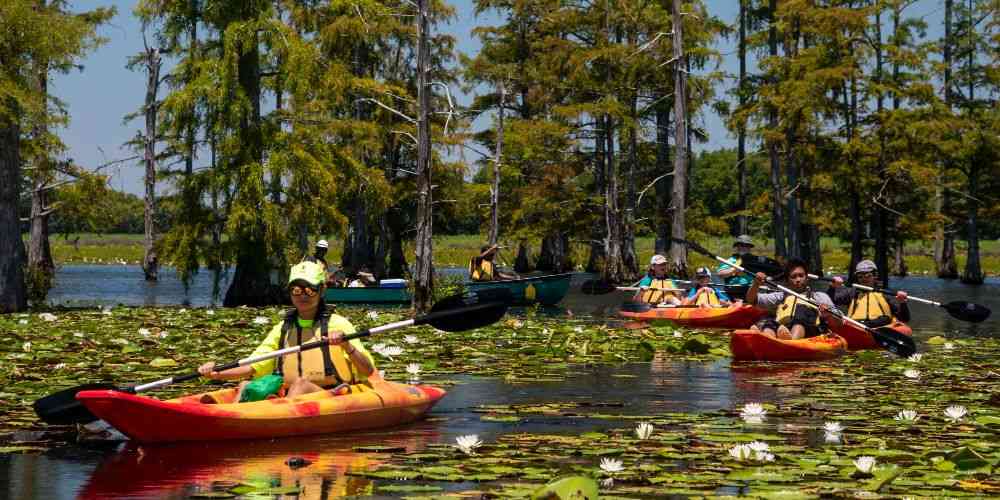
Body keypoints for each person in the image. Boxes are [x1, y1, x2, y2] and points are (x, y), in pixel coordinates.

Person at [198, 260, 376, 402]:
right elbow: (251, 366)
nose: (303, 295)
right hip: (291, 395)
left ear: (322, 290)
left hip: (333, 394)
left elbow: (367, 371)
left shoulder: (339, 324)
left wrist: (346, 345)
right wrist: (216, 372)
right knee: (246, 385)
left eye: (310, 289)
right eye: (296, 290)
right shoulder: (283, 328)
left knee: (300, 384)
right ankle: (234, 423)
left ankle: (276, 420)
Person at [746, 257, 838, 340]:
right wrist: (756, 284)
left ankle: (790, 342)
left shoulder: (819, 297)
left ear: (807, 278)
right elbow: (752, 300)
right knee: (770, 323)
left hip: (810, 331)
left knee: (799, 321)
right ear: (787, 281)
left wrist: (829, 314)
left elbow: (839, 323)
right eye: (793, 277)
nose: (798, 280)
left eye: (801, 276)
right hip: (784, 330)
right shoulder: (781, 296)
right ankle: (767, 340)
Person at [827, 259, 909, 328]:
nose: (864, 279)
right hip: (855, 326)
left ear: (875, 276)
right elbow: (831, 301)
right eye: (860, 276)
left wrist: (902, 303)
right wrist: (832, 287)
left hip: (880, 325)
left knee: (885, 319)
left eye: (867, 275)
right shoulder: (852, 293)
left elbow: (904, 318)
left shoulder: (885, 294)